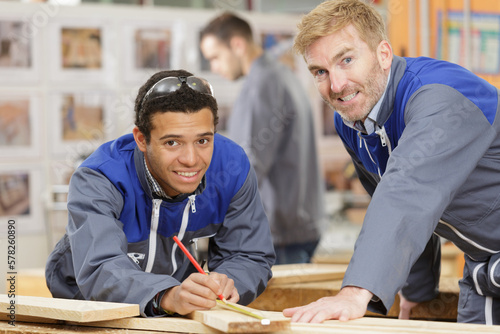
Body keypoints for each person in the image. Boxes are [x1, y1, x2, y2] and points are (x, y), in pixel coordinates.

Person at [283, 0, 500, 325]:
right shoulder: (353, 120)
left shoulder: (439, 97)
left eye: (347, 59)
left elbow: (408, 190)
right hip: (484, 264)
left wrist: (357, 291)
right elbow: (395, 204)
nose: (336, 85)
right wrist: (416, 290)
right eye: (320, 72)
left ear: (383, 54)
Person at [45, 69, 275, 317]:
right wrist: (167, 295)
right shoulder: (99, 178)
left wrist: (228, 283)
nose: (191, 160)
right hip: (90, 307)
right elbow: (101, 267)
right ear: (141, 140)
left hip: (174, 307)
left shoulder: (232, 167)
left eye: (203, 141)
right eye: (172, 142)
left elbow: (249, 254)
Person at [200, 13, 325, 265]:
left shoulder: (262, 84)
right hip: (296, 225)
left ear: (237, 45)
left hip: (280, 233)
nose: (214, 67)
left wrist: (204, 211)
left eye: (215, 57)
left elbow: (248, 164)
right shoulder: (281, 74)